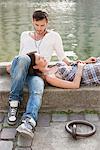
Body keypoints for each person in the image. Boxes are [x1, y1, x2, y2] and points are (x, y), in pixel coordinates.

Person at [7, 10, 75, 138]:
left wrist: (77, 64)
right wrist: (12, 65)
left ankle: (29, 122)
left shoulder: (54, 36)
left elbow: (62, 57)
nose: (39, 28)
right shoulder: (24, 35)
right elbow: (21, 53)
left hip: (35, 73)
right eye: (37, 25)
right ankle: (14, 102)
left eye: (42, 25)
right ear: (33, 21)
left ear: (47, 23)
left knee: (38, 87)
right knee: (25, 59)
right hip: (21, 67)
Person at [26, 52, 100, 89]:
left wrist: (85, 61)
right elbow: (75, 85)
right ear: (35, 66)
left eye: (41, 55)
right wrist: (80, 68)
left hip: (88, 66)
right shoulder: (49, 77)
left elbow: (71, 66)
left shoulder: (51, 67)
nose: (43, 57)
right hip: (90, 74)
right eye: (39, 58)